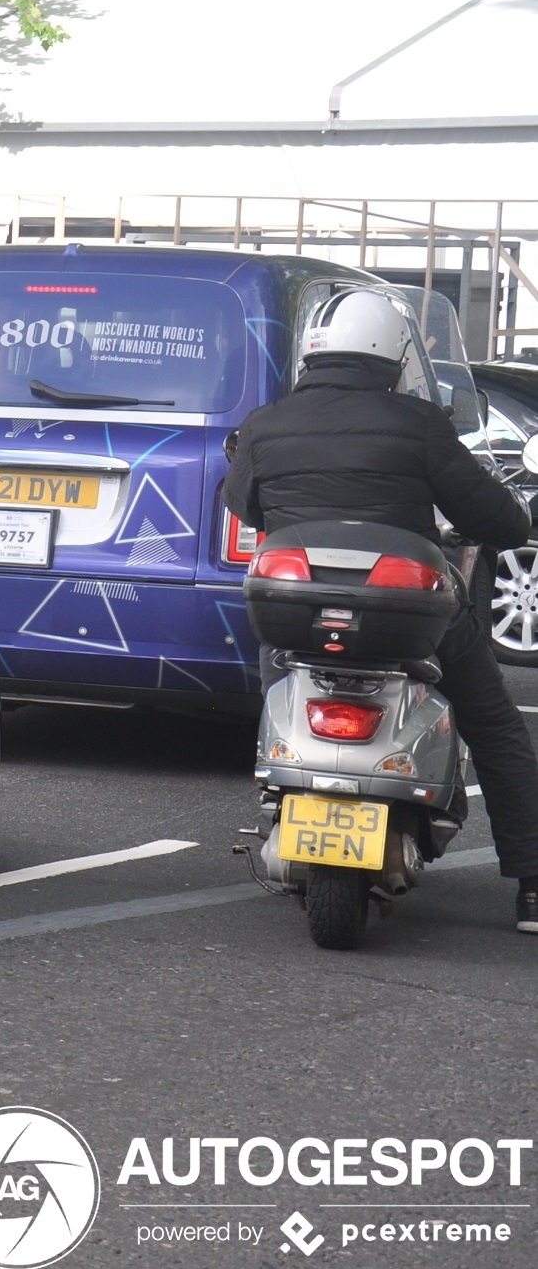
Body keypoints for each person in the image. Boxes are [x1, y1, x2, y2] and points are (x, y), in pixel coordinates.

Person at [223, 286, 538, 932]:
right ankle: (534, 884)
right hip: (405, 614)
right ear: (392, 354)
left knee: (278, 672)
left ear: (312, 350)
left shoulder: (264, 425)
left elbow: (242, 504)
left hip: (297, 615)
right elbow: (495, 517)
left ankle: (287, 802)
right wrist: (514, 516)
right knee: (496, 724)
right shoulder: (420, 425)